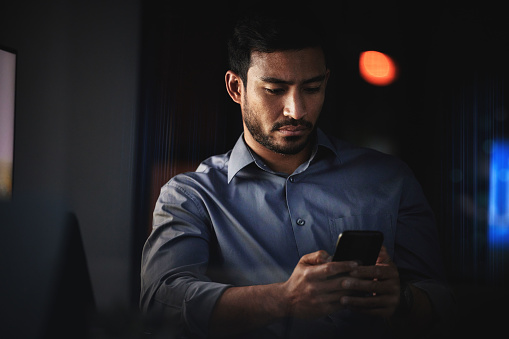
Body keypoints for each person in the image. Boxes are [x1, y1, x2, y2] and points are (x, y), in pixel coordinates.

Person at [140, 8, 454, 339]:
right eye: (275, 89)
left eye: (312, 88)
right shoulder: (191, 196)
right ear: (236, 88)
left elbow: (442, 302)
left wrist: (401, 301)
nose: (297, 110)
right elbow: (161, 305)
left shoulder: (390, 179)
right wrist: (283, 300)